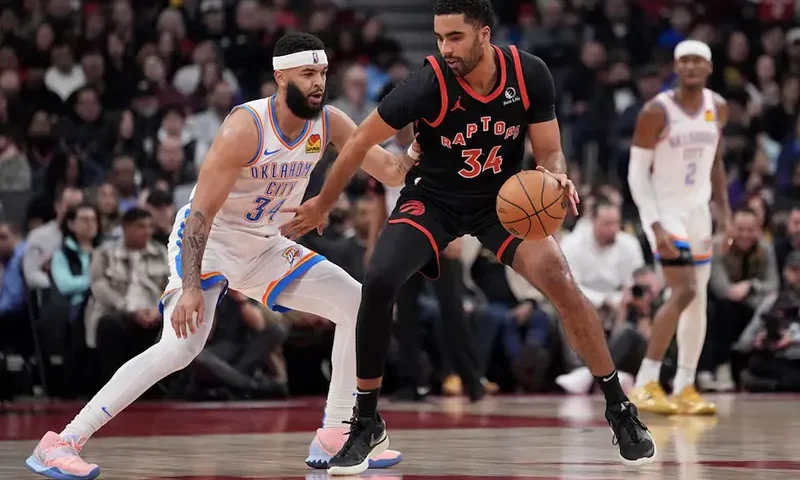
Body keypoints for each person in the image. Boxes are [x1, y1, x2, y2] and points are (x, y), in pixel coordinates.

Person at [280, 0, 655, 473]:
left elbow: (550, 152)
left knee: (562, 280)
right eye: (438, 38)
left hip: (502, 202)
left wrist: (555, 176)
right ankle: (366, 421)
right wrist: (325, 201)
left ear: (484, 33)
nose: (445, 48)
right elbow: (357, 140)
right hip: (434, 200)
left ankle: (619, 406)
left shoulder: (529, 74)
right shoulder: (429, 82)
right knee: (377, 282)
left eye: (454, 37)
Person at [25, 32, 409, 480]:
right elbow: (200, 217)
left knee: (357, 304)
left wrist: (418, 147)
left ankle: (336, 431)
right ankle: (63, 441)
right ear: (280, 77)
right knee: (181, 347)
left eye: (323, 73)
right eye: (308, 73)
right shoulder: (244, 127)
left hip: (265, 243)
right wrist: (189, 287)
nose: (319, 82)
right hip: (211, 242)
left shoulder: (329, 122)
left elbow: (388, 169)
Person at [627, 40, 731, 416]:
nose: (690, 66)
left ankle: (686, 385)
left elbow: (716, 163)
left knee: (698, 298)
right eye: (683, 61)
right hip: (666, 212)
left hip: (698, 212)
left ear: (709, 67)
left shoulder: (717, 106)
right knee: (684, 289)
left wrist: (726, 215)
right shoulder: (657, 110)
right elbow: (637, 173)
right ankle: (645, 382)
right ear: (675, 66)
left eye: (697, 61)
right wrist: (653, 224)